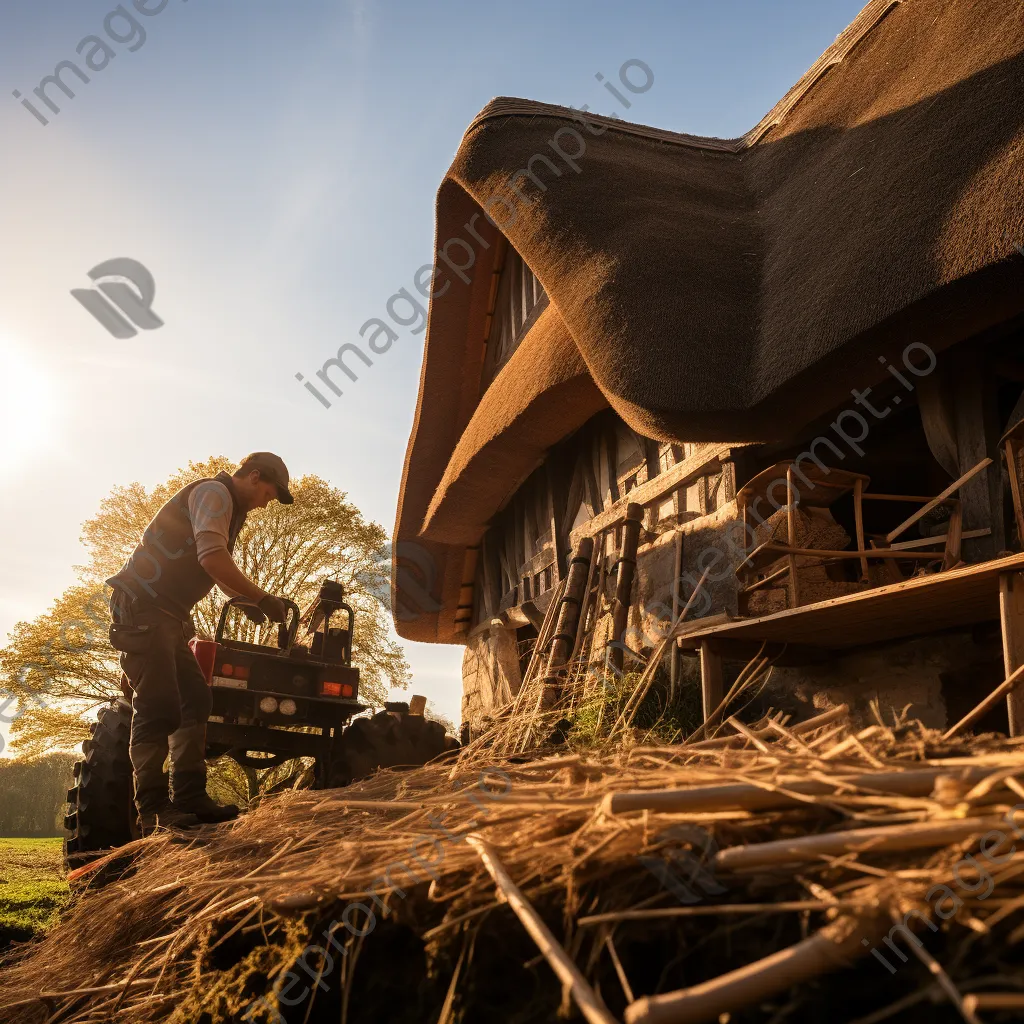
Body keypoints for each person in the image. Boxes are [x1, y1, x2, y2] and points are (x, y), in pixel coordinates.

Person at [106, 453, 293, 831]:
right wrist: (260, 597)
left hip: (170, 614)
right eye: (268, 495)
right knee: (158, 704)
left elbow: (212, 561)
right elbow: (212, 558)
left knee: (195, 699)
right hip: (144, 606)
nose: (264, 504)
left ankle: (189, 797)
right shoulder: (216, 493)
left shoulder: (227, 505)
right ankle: (154, 808)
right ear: (254, 476)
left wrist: (240, 599)